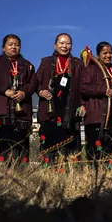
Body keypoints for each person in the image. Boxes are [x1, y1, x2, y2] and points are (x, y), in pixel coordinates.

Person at [0, 34, 38, 166]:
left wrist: (24, 93)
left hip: (21, 114)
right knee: (0, 145)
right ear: (3, 47)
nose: (14, 47)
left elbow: (34, 83)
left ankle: (20, 176)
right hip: (1, 110)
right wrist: (5, 90)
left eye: (16, 44)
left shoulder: (27, 65)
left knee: (20, 147)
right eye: (10, 44)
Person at [36, 33, 86, 167]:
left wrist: (82, 104)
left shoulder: (78, 64)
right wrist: (40, 90)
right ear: (55, 45)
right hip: (50, 109)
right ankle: (49, 177)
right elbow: (36, 81)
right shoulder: (45, 62)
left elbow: (83, 86)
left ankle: (71, 178)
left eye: (68, 43)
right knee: (49, 146)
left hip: (69, 110)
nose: (65, 46)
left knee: (70, 148)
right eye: (61, 43)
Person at [81, 42, 112, 161]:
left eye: (110, 53)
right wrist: (102, 90)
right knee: (96, 150)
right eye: (104, 53)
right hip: (97, 116)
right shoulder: (91, 69)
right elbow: (83, 88)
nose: (108, 55)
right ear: (98, 55)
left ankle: (111, 176)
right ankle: (95, 175)